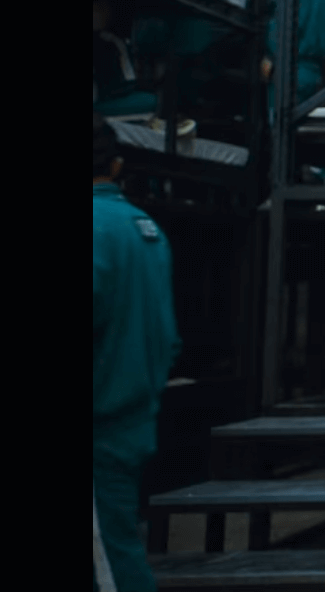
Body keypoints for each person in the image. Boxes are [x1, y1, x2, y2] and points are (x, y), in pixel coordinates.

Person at [94, 113, 180, 592]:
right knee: (116, 548)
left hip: (101, 420)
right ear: (117, 165)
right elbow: (167, 335)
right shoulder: (146, 227)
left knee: (110, 564)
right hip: (132, 416)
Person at [95, 0, 158, 119]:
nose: (104, 13)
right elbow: (125, 84)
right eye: (98, 9)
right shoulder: (109, 41)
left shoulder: (111, 39)